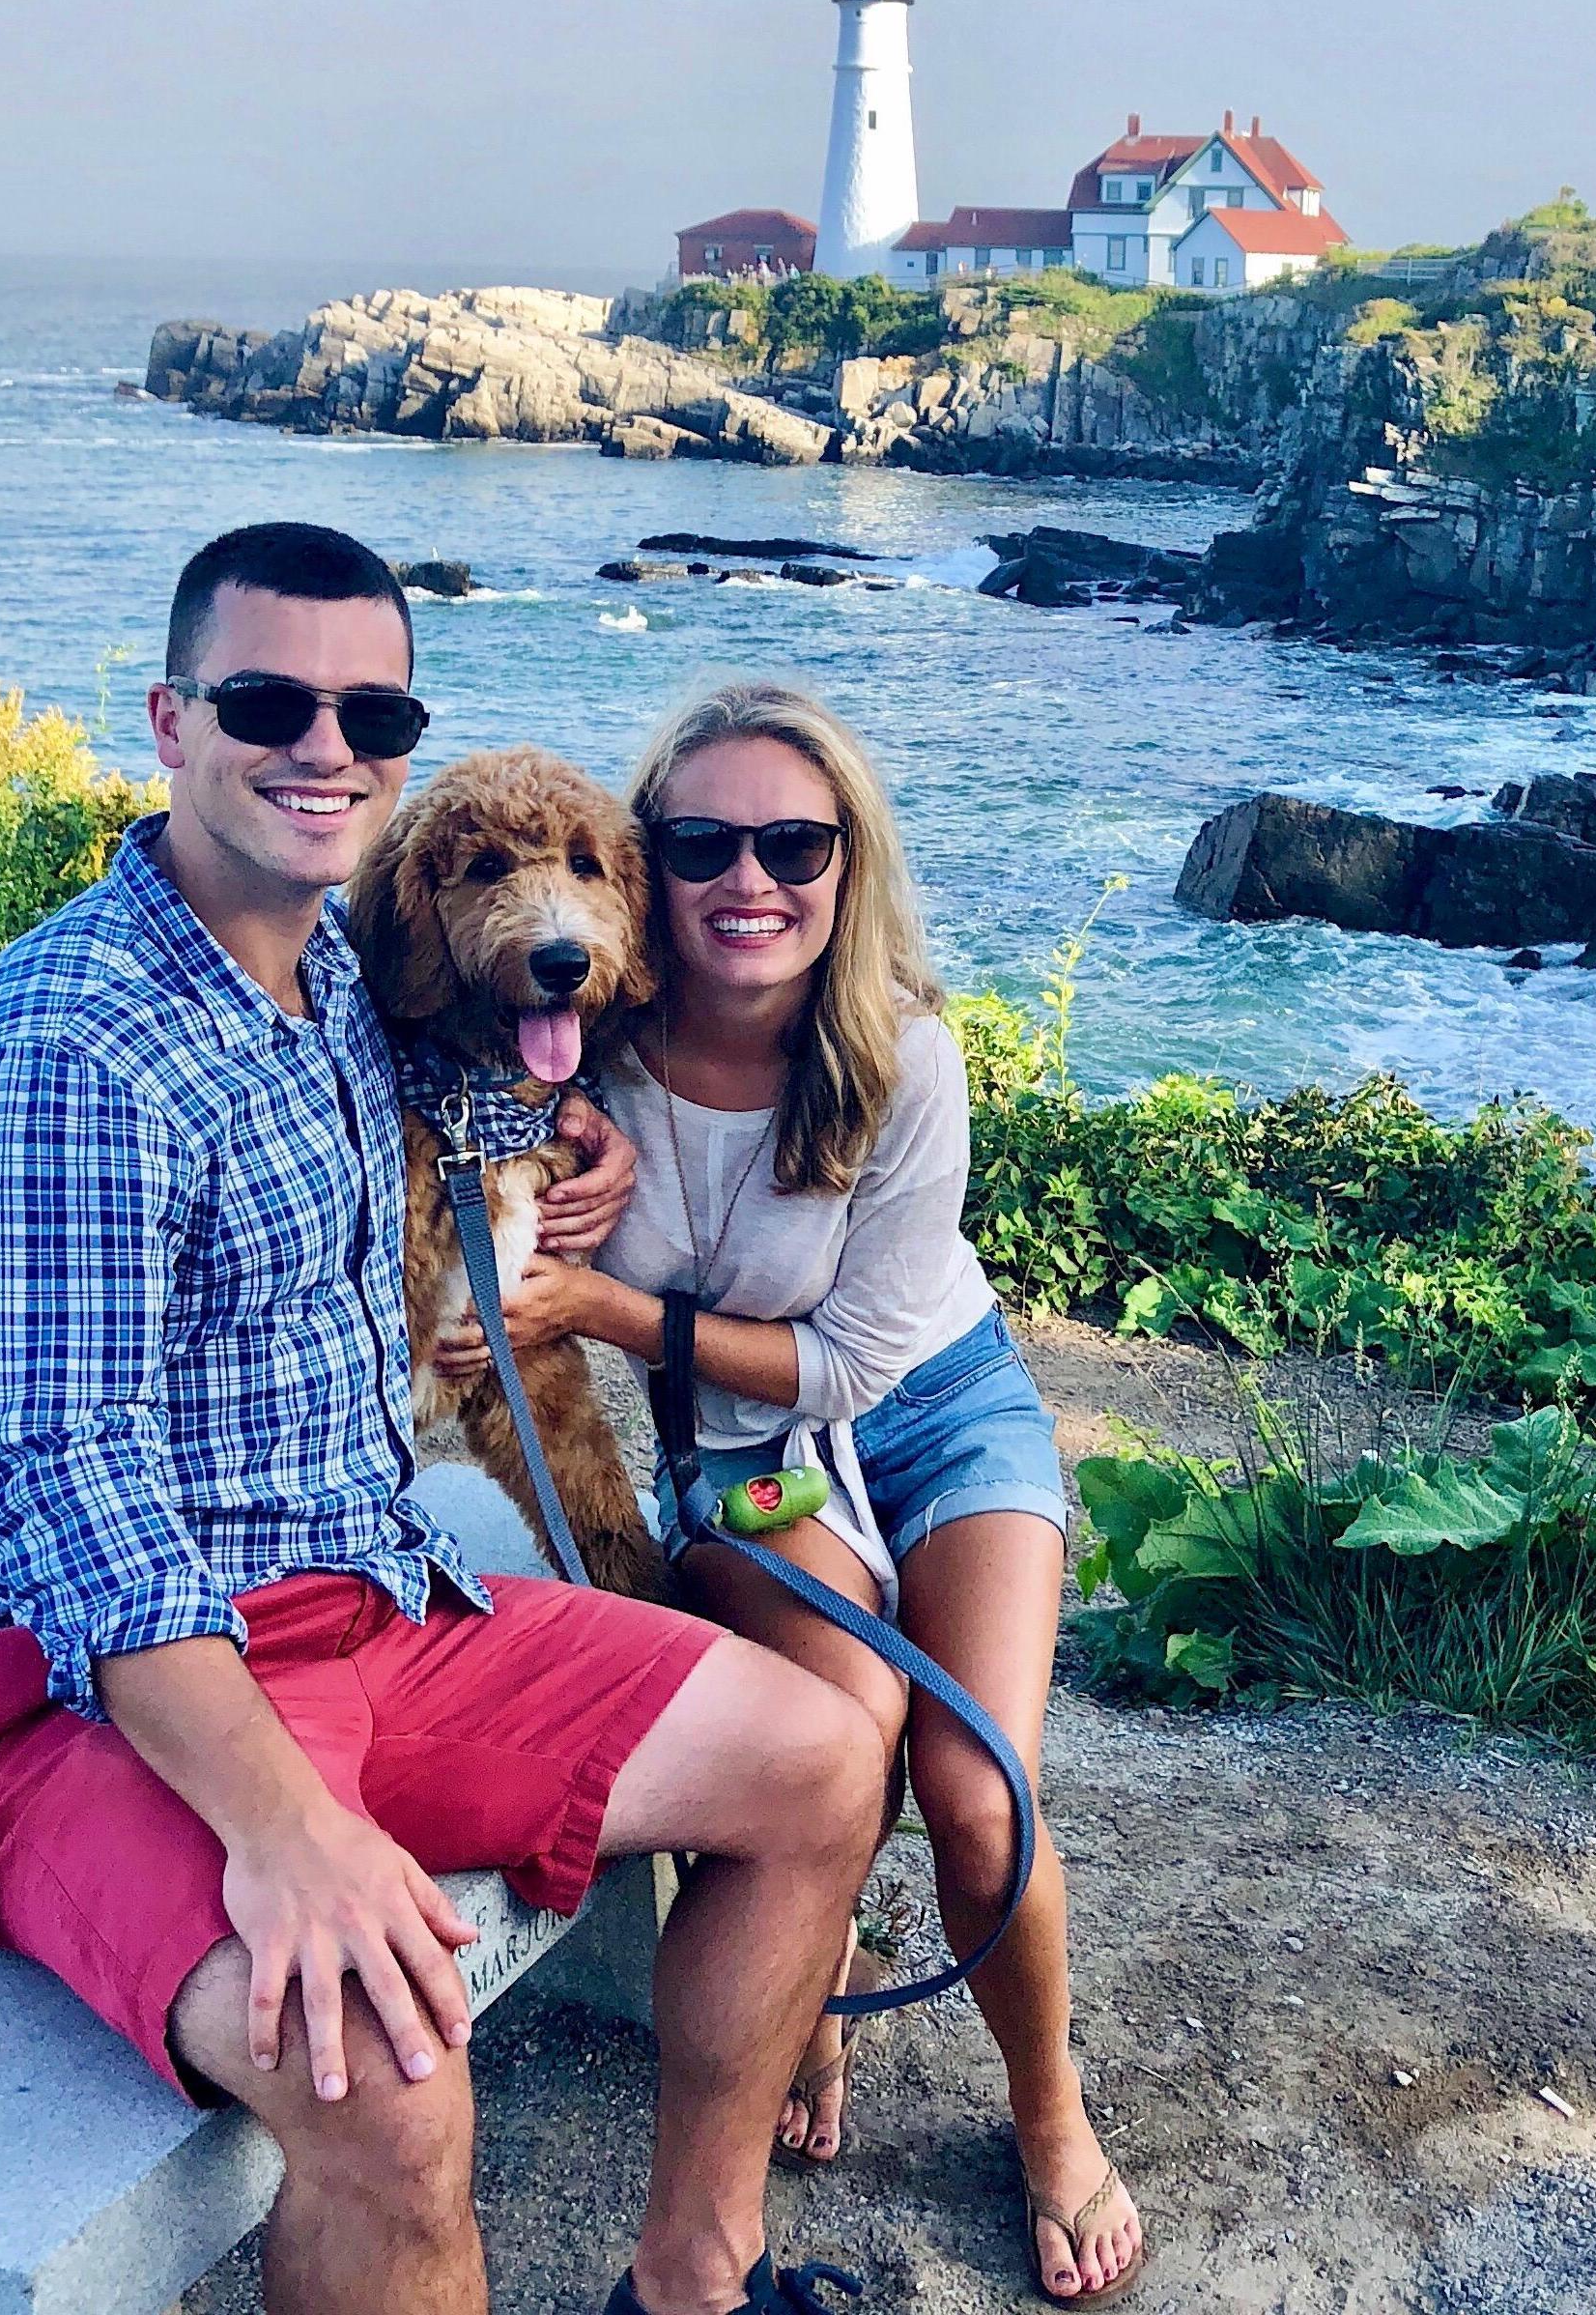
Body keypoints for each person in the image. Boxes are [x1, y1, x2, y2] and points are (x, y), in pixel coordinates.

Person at [0, 524, 885, 2315]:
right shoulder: (58, 1057)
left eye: (373, 713)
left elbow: (469, 1058)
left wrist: (569, 1132)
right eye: (269, 703)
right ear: (171, 720)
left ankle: (693, 2282)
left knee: (818, 1760)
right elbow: (76, 1506)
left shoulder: (328, 969)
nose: (324, 747)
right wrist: (289, 1831)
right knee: (392, 2084)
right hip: (71, 1699)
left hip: (366, 1600)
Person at [431, 680, 1150, 2305]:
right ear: (645, 864)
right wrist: (546, 1178)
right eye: (700, 844)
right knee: (827, 1741)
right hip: (743, 1455)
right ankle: (796, 2014)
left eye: (794, 844)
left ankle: (1049, 2112)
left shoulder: (901, 1051)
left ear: (846, 862)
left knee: (977, 1792)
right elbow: (431, 1085)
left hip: (931, 1410)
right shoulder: (579, 1033)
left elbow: (846, 1364)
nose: (748, 879)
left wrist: (599, 1306)